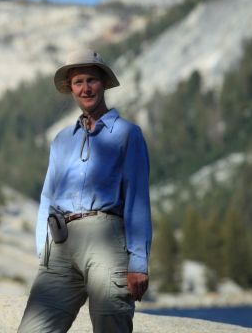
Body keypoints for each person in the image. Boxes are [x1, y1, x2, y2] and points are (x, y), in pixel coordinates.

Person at [18, 49, 152, 333]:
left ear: (103, 84)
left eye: (92, 80)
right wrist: (43, 249)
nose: (85, 88)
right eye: (78, 82)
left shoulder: (128, 134)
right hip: (61, 245)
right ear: (71, 89)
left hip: (107, 241)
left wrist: (138, 261)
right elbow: (47, 197)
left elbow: (137, 199)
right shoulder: (62, 140)